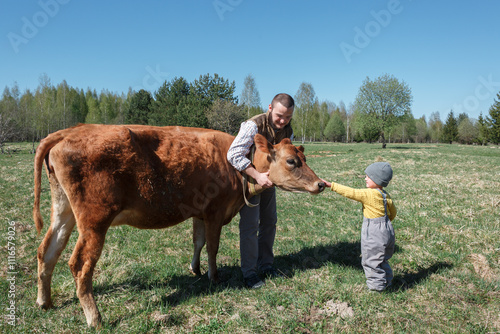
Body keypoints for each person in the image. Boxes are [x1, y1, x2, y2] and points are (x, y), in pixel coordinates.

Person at [227, 93, 294, 289]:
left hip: (269, 183)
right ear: (270, 108)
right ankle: (249, 273)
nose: (283, 121)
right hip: (249, 183)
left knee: (270, 222)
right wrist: (257, 176)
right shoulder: (253, 125)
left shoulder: (288, 130)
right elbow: (234, 154)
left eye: (288, 117)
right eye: (280, 116)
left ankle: (266, 265)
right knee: (250, 226)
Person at [322, 162, 397, 292]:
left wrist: (331, 185)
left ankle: (377, 288)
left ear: (377, 179)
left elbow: (351, 192)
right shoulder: (385, 195)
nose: (365, 178)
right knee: (382, 258)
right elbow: (393, 212)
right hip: (387, 230)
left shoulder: (369, 194)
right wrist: (385, 223)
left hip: (374, 232)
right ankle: (387, 281)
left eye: (368, 176)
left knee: (371, 260)